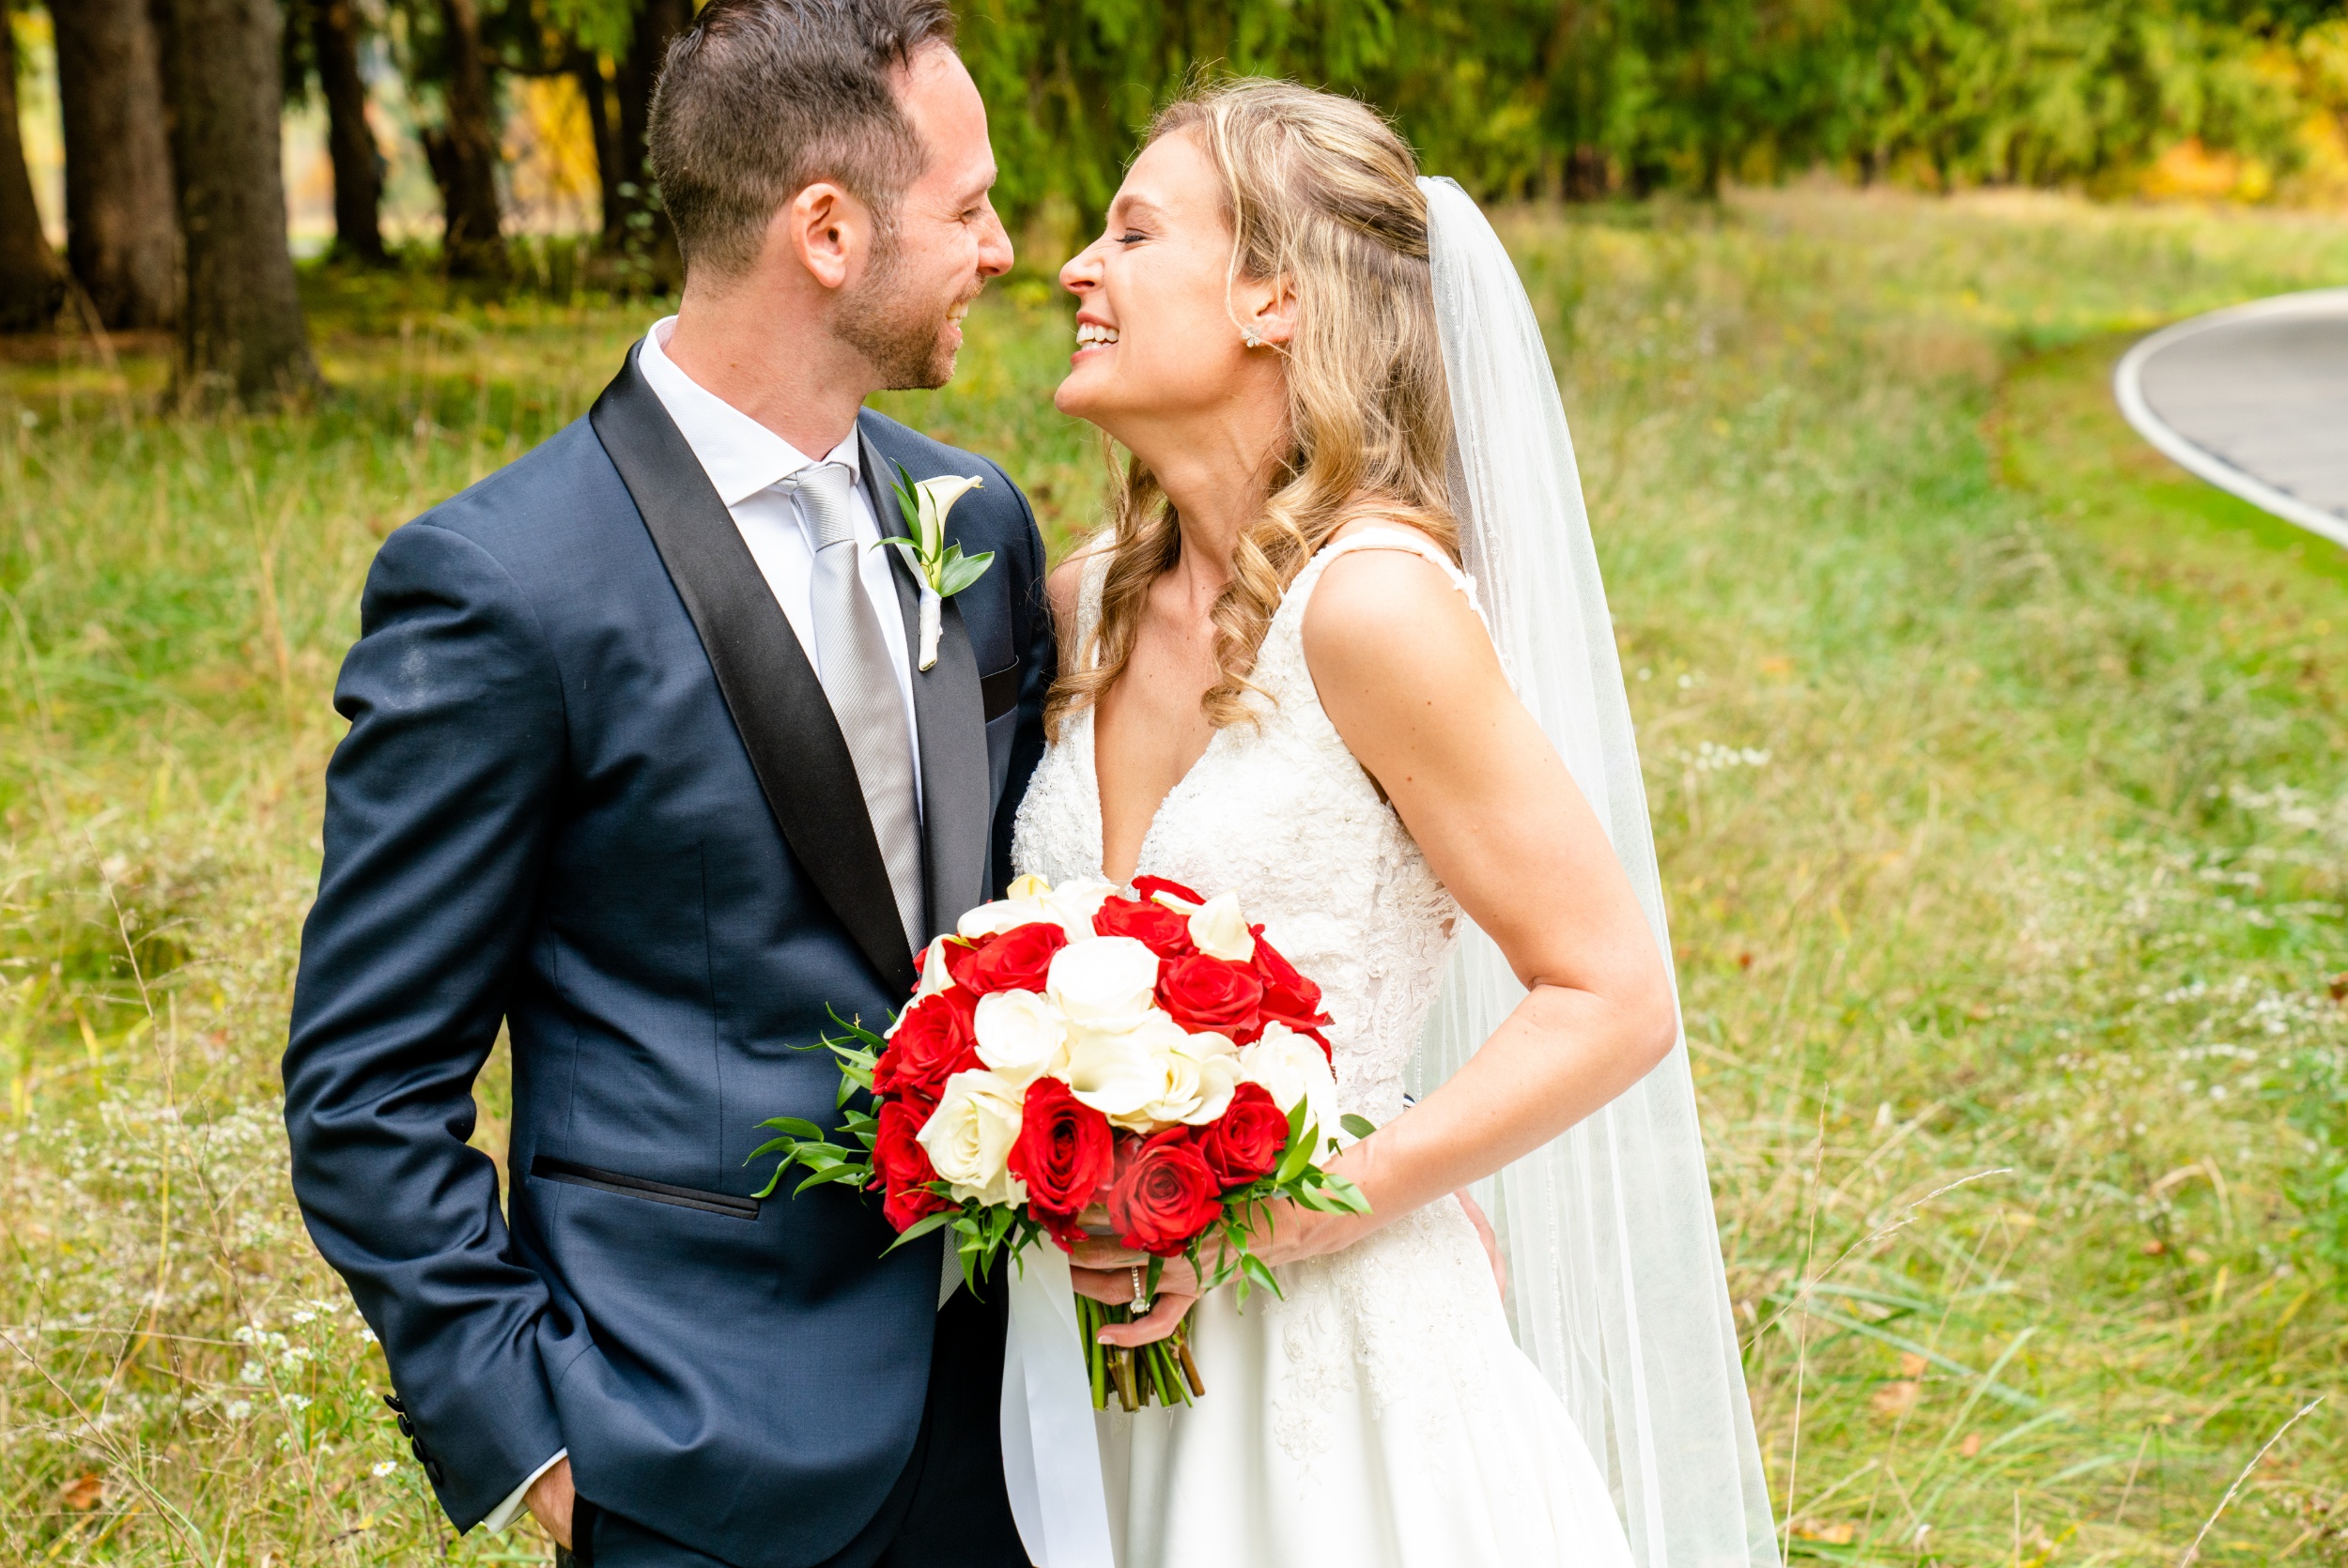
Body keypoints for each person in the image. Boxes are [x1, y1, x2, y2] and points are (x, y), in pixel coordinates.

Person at [280, 3, 1050, 1564]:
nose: (1007, 246)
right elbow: (366, 1081)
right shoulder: (502, 585)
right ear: (825, 231)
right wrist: (541, 1440)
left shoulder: (978, 524)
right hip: (685, 1447)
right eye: (967, 207)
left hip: (1010, 1425)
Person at [1010, 80, 1780, 1566]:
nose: (1075, 270)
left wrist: (1294, 1213)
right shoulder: (1083, 599)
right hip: (1076, 1367)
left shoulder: (1369, 609)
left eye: (1132, 232)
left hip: (1328, 1371)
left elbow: (1613, 993)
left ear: (1273, 297)